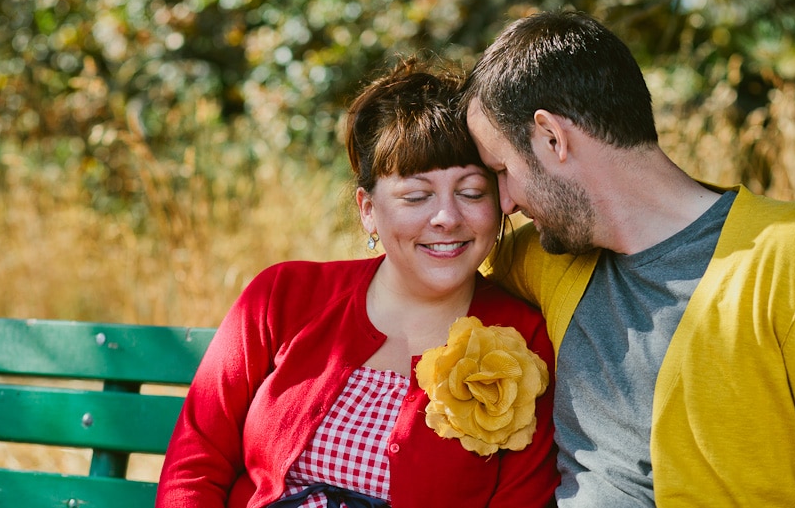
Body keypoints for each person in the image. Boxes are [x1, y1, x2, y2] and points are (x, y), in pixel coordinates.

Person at [156, 57, 560, 507]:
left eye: (471, 192)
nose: (447, 218)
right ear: (368, 209)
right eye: (416, 196)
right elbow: (193, 467)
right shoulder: (282, 297)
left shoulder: (524, 342)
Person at [461, 9, 795, 507]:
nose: (506, 202)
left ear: (552, 137)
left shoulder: (786, 259)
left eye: (502, 169)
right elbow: (420, 282)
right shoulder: (541, 258)